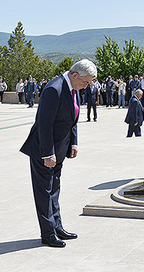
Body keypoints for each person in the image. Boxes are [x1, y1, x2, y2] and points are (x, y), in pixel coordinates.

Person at [20, 59, 96, 248]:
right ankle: (47, 234)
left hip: (60, 149)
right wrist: (48, 153)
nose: (86, 86)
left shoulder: (72, 88)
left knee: (54, 189)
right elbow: (44, 124)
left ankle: (57, 227)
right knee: (44, 193)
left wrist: (74, 142)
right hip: (44, 151)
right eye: (85, 82)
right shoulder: (54, 89)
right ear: (75, 75)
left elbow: (72, 118)